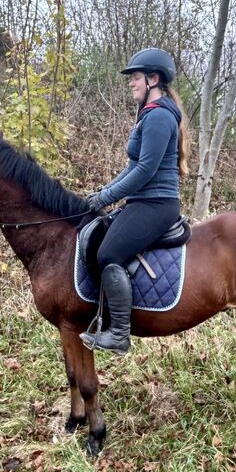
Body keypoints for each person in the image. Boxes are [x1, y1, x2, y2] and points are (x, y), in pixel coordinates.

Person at [80, 47, 189, 355]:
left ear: (154, 79)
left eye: (136, 78)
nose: (131, 83)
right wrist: (103, 191)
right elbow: (132, 167)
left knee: (109, 253)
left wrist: (106, 197)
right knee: (98, 238)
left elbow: (145, 171)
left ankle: (119, 334)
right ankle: (101, 316)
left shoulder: (158, 117)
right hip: (144, 201)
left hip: (157, 204)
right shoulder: (148, 116)